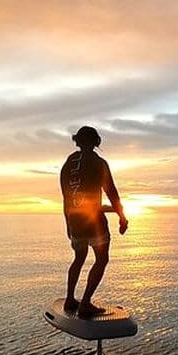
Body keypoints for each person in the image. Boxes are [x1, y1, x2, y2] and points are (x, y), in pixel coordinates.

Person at [60, 126, 128, 317]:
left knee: (79, 258)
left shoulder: (68, 163)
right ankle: (86, 303)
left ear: (77, 141)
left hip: (74, 221)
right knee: (102, 259)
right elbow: (112, 192)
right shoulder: (98, 163)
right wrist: (122, 217)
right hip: (94, 222)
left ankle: (70, 299)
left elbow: (66, 197)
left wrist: (68, 224)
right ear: (96, 142)